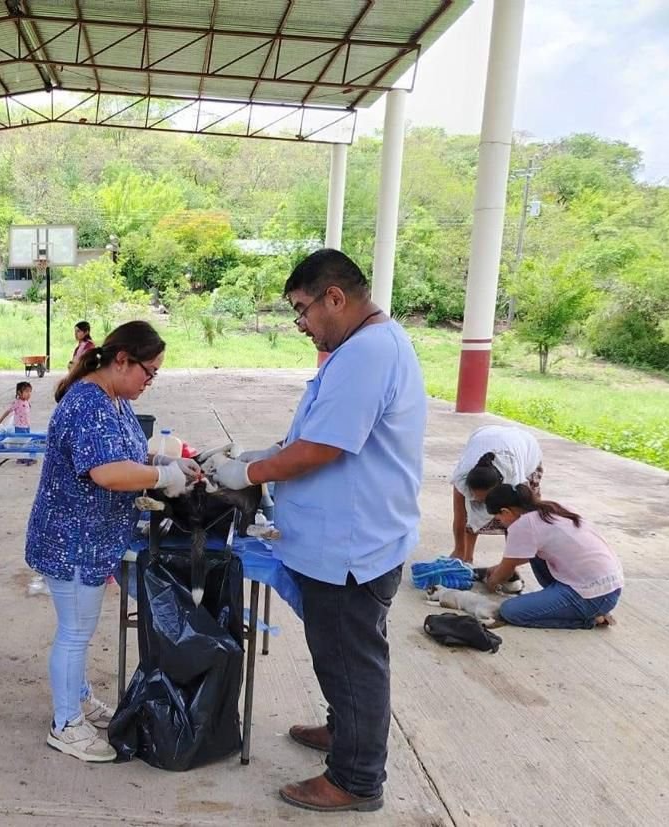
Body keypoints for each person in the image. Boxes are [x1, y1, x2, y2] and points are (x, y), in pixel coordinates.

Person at [204, 249, 426, 813]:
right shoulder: (361, 347)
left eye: (303, 309)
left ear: (336, 298)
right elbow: (313, 432)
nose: (300, 323)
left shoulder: (367, 353)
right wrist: (263, 453)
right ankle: (344, 728)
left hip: (353, 544)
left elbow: (325, 447)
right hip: (352, 537)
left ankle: (355, 779)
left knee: (352, 659)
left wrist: (249, 471)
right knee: (338, 654)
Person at [25, 321, 201, 763]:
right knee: (75, 632)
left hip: (90, 537)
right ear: (122, 359)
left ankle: (78, 699)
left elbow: (127, 453)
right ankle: (65, 724)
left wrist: (161, 459)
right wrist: (163, 477)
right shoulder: (88, 403)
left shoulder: (114, 398)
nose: (150, 380)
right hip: (72, 539)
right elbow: (106, 471)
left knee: (79, 630)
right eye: (149, 371)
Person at [480, 484, 622, 629]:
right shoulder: (554, 508)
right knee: (536, 554)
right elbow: (516, 560)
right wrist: (502, 568)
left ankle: (589, 619)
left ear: (506, 511)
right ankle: (566, 604)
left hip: (591, 596)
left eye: (498, 519)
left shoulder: (522, 525)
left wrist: (489, 584)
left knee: (509, 611)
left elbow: (503, 573)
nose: (501, 523)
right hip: (611, 588)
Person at [451, 425, 543, 563]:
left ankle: (508, 564)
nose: (482, 504)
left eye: (485, 500)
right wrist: (459, 550)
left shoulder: (515, 481)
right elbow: (460, 516)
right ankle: (467, 558)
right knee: (472, 515)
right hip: (485, 434)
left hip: (525, 446)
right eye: (478, 499)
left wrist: (507, 566)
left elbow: (518, 522)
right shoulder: (461, 478)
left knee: (515, 520)